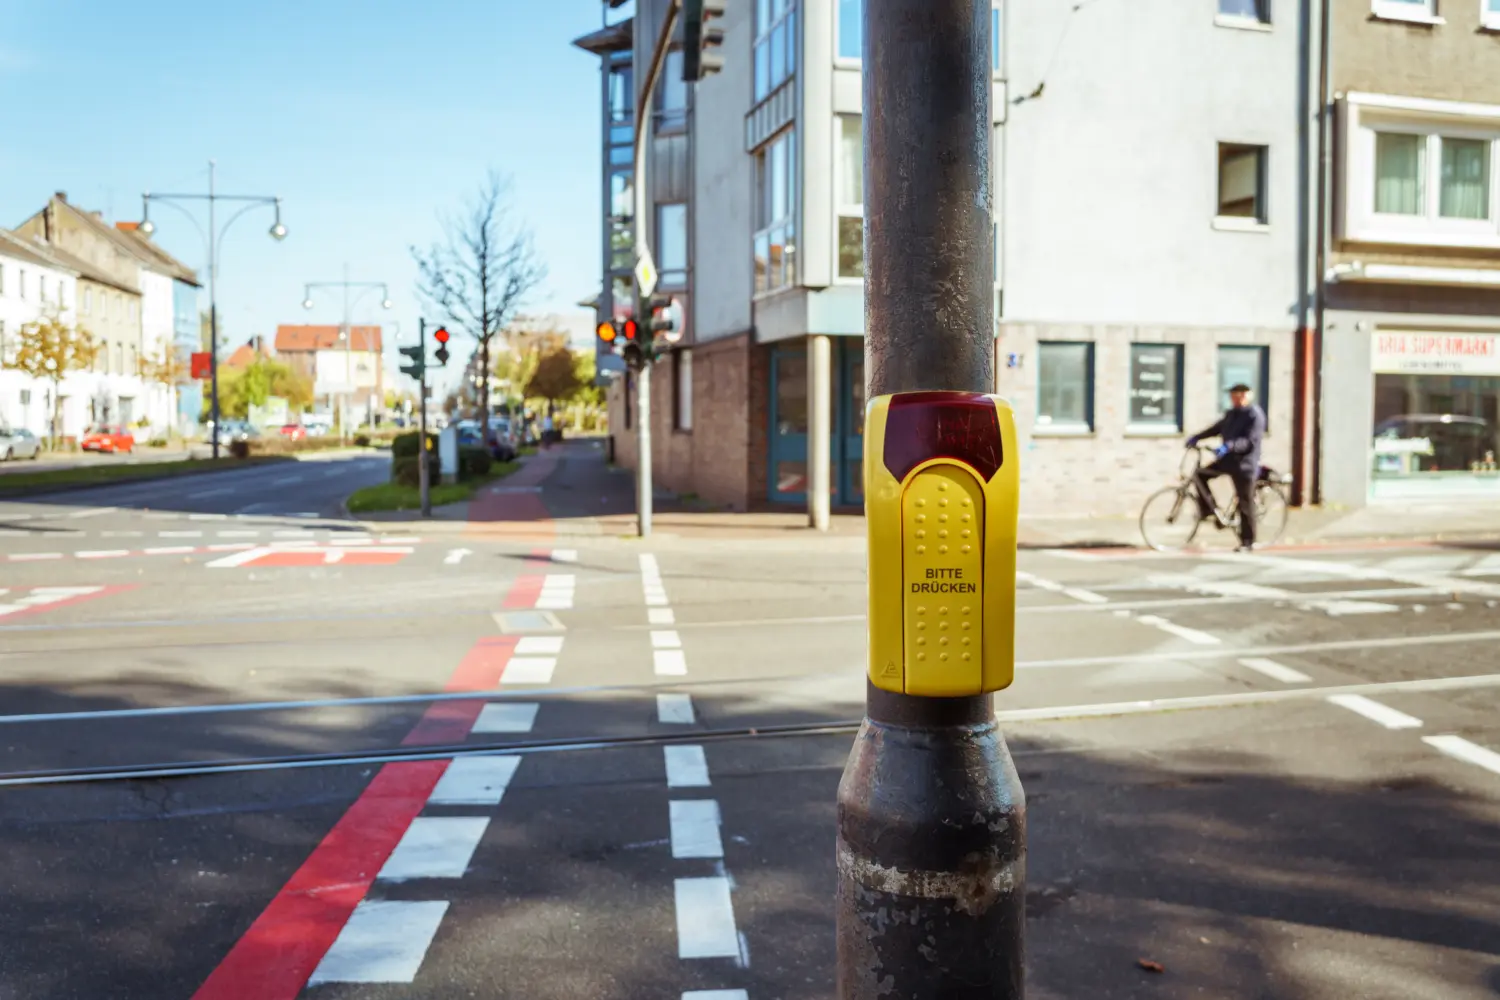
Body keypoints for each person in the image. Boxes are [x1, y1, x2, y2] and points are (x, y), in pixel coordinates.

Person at [1186, 383, 1266, 552]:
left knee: (1245, 501)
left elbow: (1249, 442)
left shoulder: (1255, 415)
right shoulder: (1232, 414)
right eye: (1234, 396)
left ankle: (1248, 541)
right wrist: (1197, 437)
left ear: (1248, 396)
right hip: (1228, 460)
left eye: (1241, 396)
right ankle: (1208, 509)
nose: (1237, 399)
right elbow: (1217, 428)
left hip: (1245, 464)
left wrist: (1228, 446)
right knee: (1200, 475)